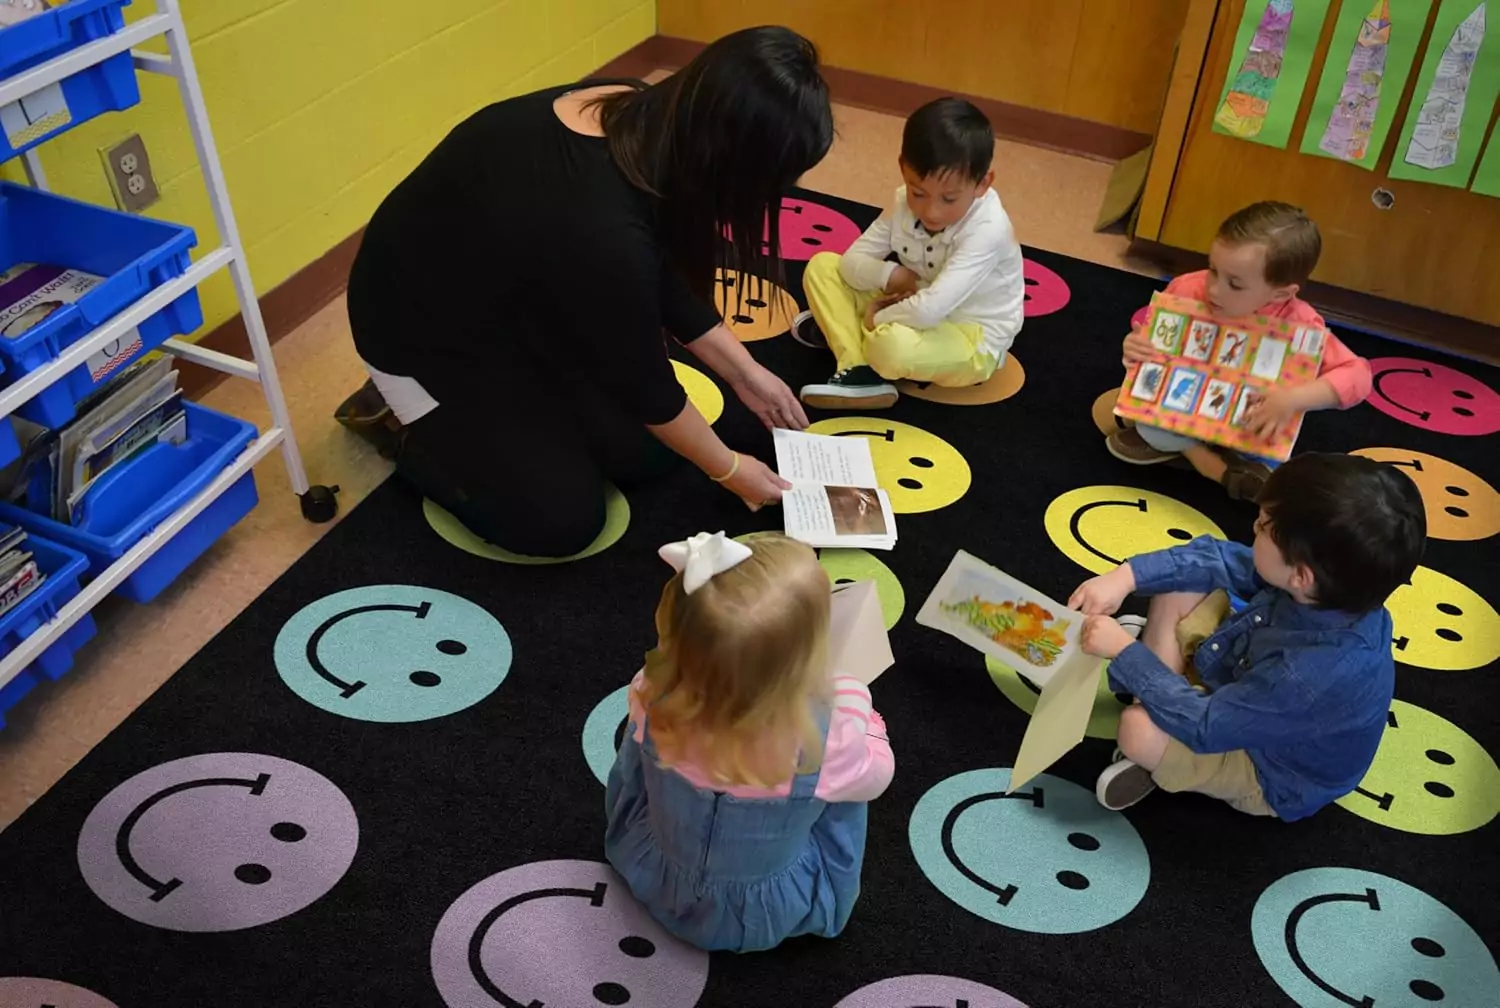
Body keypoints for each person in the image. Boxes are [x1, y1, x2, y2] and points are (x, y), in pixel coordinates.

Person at [342, 28, 833, 557]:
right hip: (423, 340)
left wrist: (743, 371)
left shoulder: (633, 110)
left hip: (523, 300)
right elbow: (646, 382)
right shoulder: (598, 229)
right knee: (559, 521)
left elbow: (656, 266)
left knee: (650, 455)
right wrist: (731, 471)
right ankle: (399, 425)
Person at [1067, 453, 1426, 821]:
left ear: (1300, 576)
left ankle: (1156, 729)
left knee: (1136, 729)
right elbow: (1217, 559)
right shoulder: (1329, 590)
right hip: (1246, 686)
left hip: (1269, 767)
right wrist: (1124, 577)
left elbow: (1208, 726)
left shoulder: (1305, 675)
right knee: (1183, 582)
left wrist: (1126, 653)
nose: (1254, 525)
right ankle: (1159, 690)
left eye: (1263, 527)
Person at [605, 532, 894, 952]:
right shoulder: (827, 738)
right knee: (846, 784)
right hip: (762, 913)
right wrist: (853, 696)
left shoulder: (651, 691)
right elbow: (878, 775)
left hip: (653, 871)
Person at [1105, 201, 1372, 500]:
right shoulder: (1187, 290)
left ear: (1281, 293)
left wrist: (1292, 400)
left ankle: (1195, 454)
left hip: (1247, 425)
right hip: (1185, 405)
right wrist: (1134, 346)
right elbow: (1152, 342)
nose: (1214, 289)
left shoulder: (1301, 324)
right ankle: (1208, 463)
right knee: (1141, 416)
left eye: (1235, 284)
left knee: (1266, 450)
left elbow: (1359, 376)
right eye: (1213, 269)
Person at [794, 97, 1025, 410]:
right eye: (919, 193)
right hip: (914, 302)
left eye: (949, 198)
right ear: (903, 168)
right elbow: (851, 262)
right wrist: (892, 275)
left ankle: (852, 338)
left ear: (983, 183)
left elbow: (929, 311)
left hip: (970, 337)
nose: (931, 210)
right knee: (823, 266)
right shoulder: (903, 200)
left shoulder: (989, 229)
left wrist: (877, 318)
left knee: (890, 348)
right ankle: (859, 367)